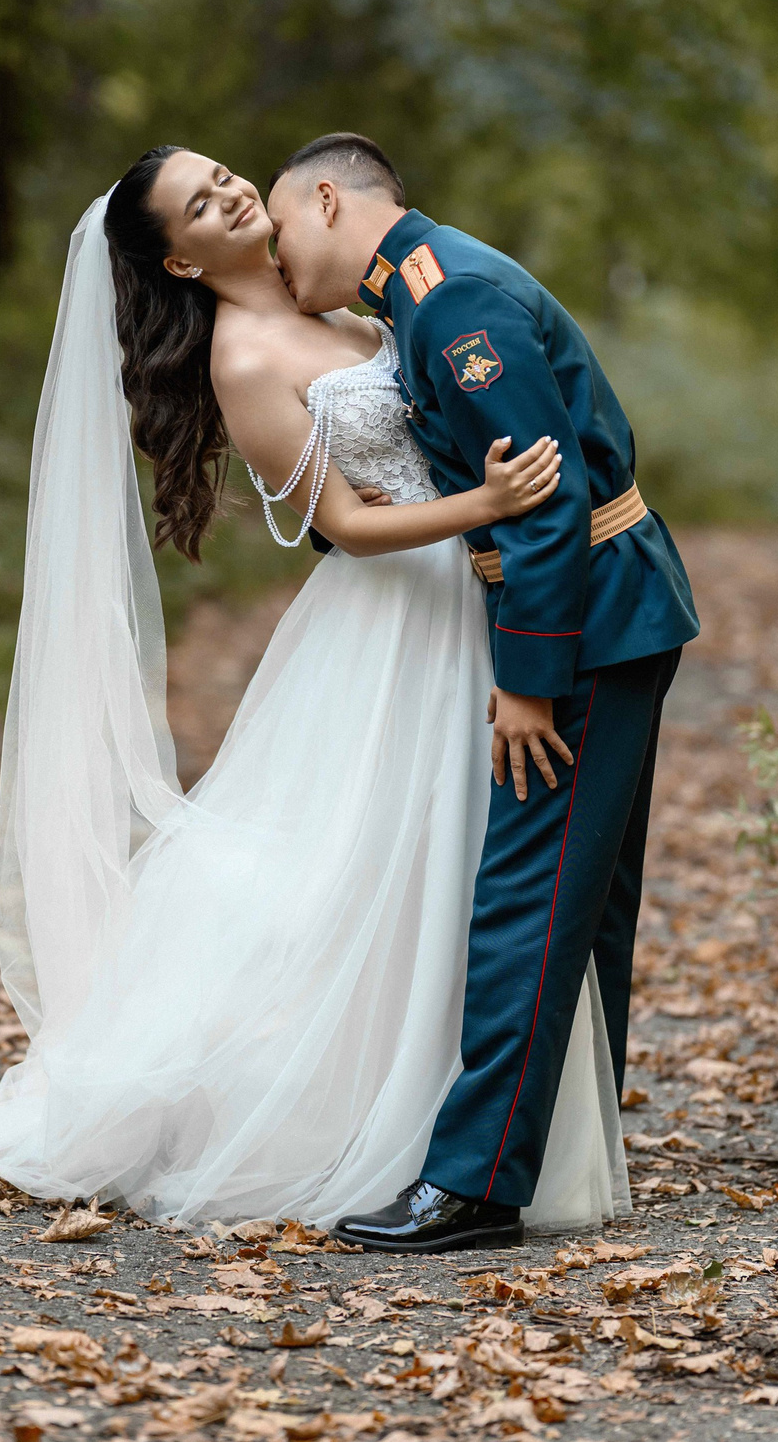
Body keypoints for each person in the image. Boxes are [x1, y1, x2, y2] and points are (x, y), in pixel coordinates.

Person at [0, 146, 630, 1235]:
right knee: (360, 868)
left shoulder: (341, 295)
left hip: (475, 597)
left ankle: (456, 1116)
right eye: (201, 204)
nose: (232, 194)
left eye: (224, 176)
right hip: (394, 620)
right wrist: (485, 505)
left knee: (465, 863)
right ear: (182, 261)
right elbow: (350, 525)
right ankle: (352, 1119)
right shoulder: (242, 357)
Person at [263, 134, 701, 1254]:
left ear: (327, 199)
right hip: (612, 605)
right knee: (582, 900)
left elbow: (546, 499)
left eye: (279, 225)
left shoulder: (451, 299)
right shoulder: (418, 291)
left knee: (528, 898)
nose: (273, 252)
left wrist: (529, 684)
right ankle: (562, 1150)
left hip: (586, 617)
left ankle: (475, 1185)